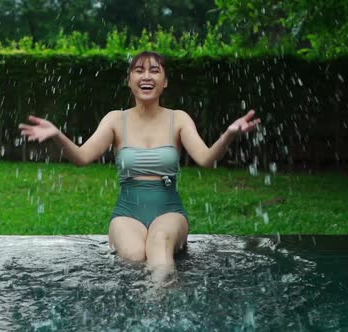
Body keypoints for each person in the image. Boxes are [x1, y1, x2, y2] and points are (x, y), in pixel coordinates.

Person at [19, 51, 259, 280]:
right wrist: (57, 135)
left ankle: (160, 311)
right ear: (129, 80)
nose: (146, 76)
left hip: (169, 212)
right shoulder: (115, 119)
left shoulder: (179, 118)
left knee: (159, 245)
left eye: (155, 71)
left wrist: (229, 134)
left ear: (165, 82)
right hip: (127, 213)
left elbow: (206, 159)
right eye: (138, 70)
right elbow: (82, 158)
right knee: (134, 257)